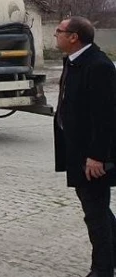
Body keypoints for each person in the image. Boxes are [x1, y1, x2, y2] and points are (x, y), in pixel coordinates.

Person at [53, 15, 116, 277]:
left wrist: (97, 156)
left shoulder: (98, 66)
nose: (55, 34)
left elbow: (106, 117)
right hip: (77, 152)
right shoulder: (74, 62)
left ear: (73, 37)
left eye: (59, 30)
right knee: (98, 210)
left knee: (96, 214)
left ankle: (102, 270)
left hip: (93, 157)